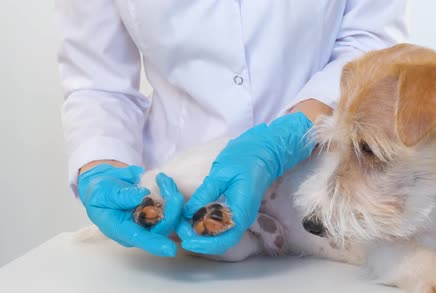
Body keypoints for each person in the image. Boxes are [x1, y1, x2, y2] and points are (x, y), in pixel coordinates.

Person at [56, 1, 409, 257]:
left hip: (322, 194)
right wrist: (101, 169)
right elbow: (98, 81)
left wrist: (292, 133)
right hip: (180, 208)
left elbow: (370, 41)